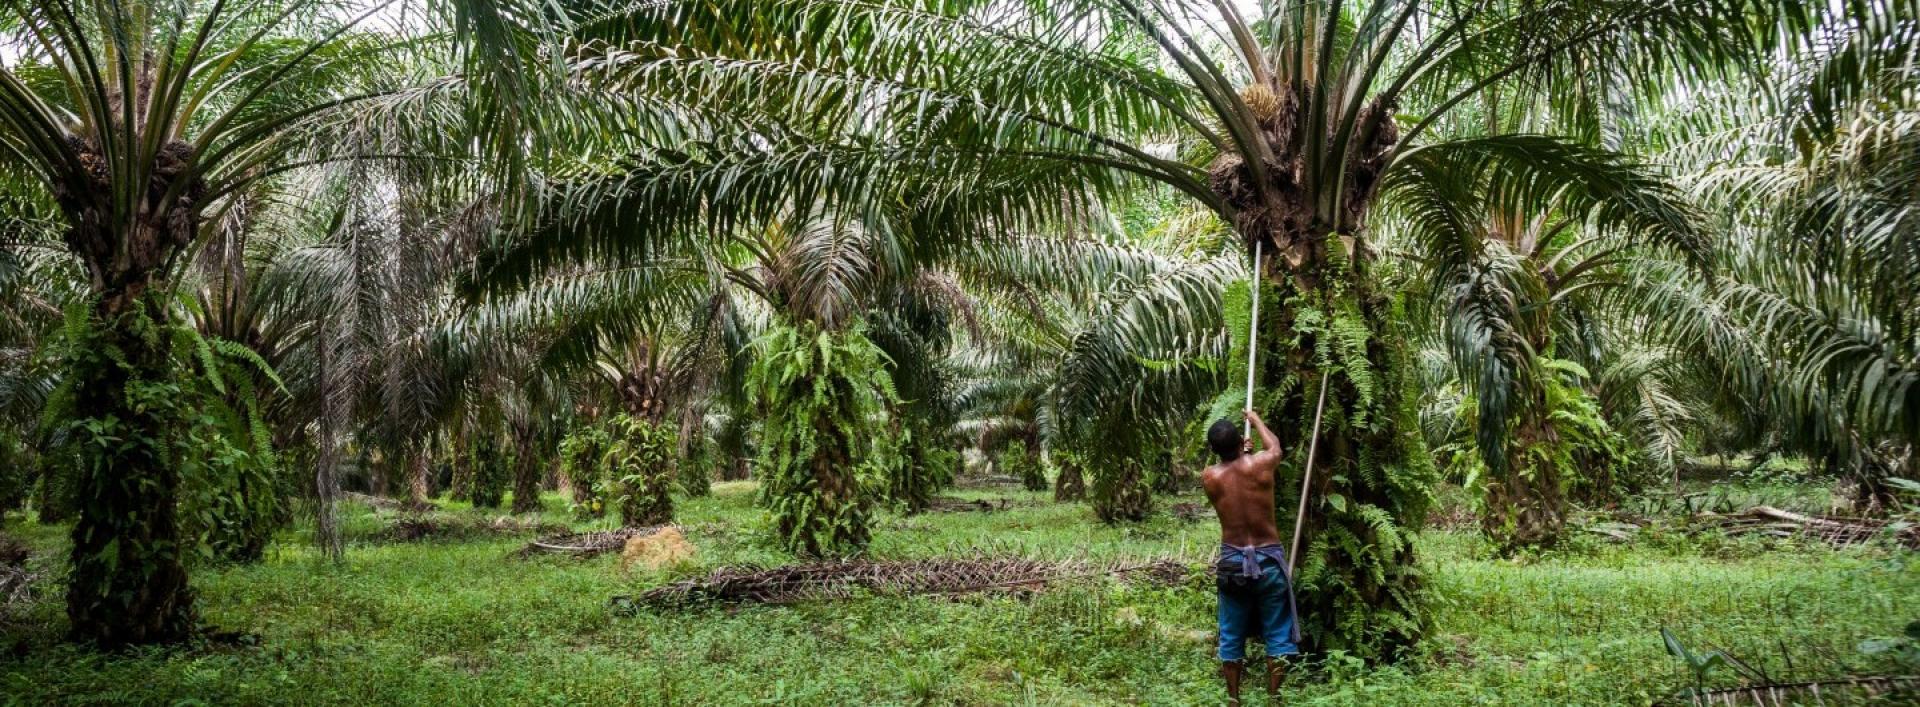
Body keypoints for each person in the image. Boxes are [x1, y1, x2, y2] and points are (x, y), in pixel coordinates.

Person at [1200, 409, 1298, 705]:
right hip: (1268, 560)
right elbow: (1275, 447)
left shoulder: (1210, 477)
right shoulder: (1262, 466)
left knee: (1231, 634)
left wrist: (1238, 454)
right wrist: (1254, 420)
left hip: (1232, 564)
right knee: (1278, 632)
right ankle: (1274, 697)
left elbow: (1228, 469)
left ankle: (1233, 699)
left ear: (1214, 450)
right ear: (1242, 441)